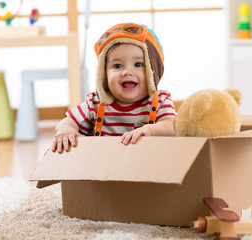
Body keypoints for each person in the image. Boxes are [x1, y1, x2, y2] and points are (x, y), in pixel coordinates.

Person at [51, 23, 176, 153]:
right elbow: (69, 120)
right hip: (104, 167)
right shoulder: (95, 103)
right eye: (117, 66)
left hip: (146, 165)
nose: (127, 72)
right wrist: (65, 130)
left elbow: (172, 127)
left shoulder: (160, 101)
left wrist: (149, 130)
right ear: (103, 75)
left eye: (138, 64)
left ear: (153, 71)